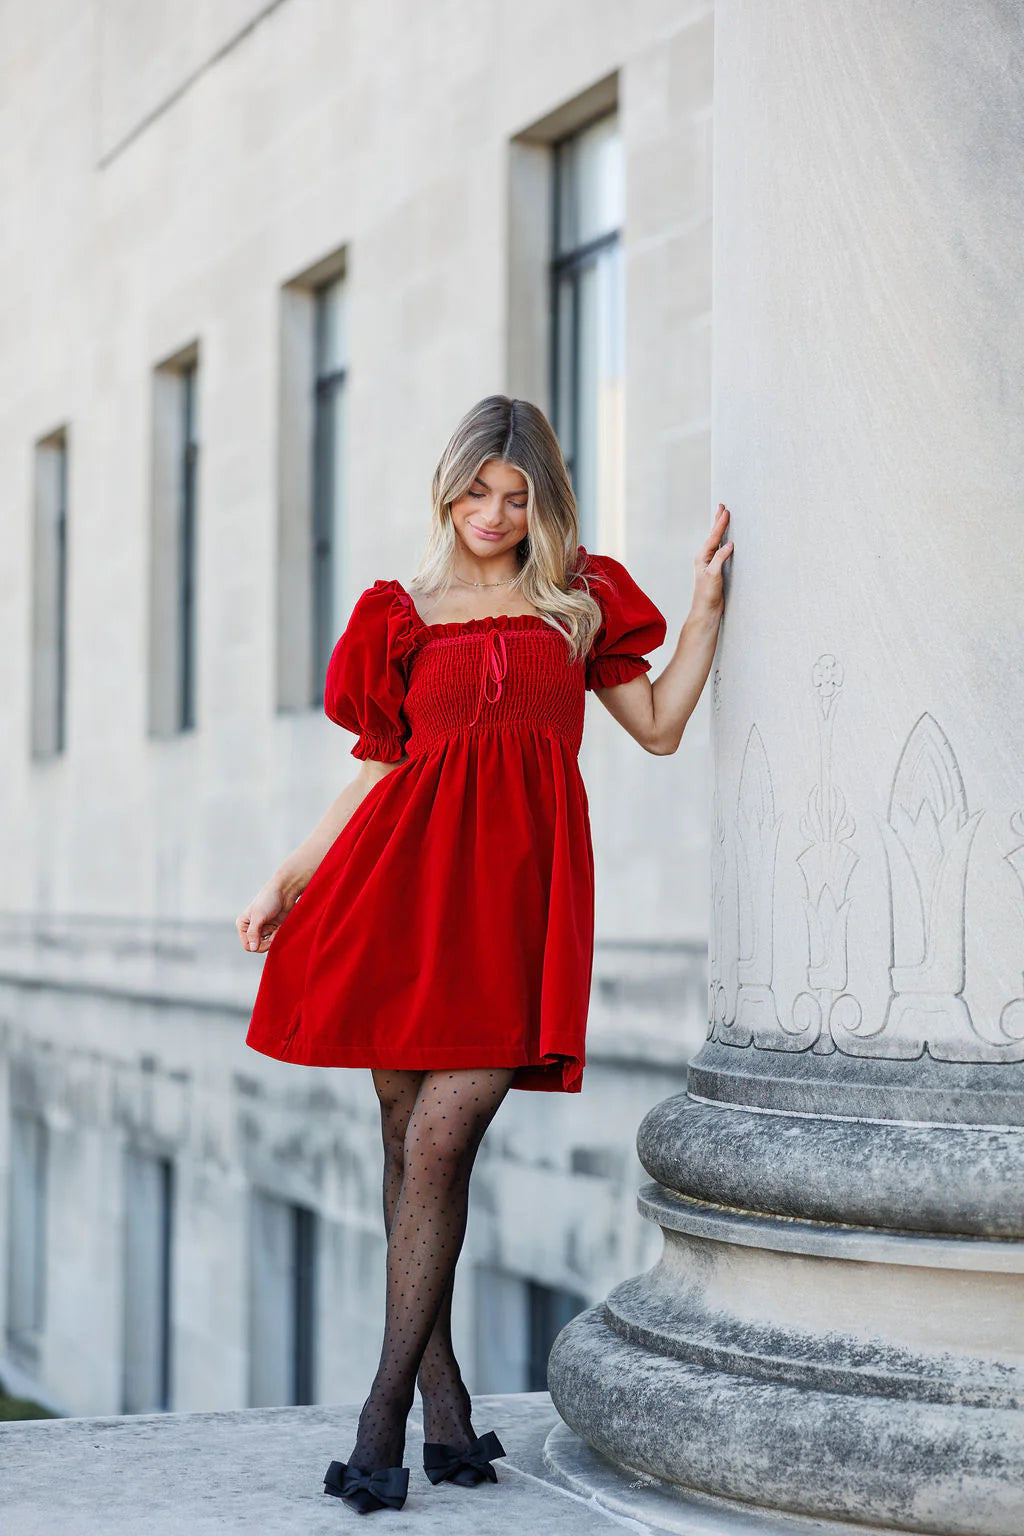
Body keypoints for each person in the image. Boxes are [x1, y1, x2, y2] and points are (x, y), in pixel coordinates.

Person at [236, 394, 733, 1514]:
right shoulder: (398, 615)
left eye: (515, 496)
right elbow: (377, 771)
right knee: (406, 1143)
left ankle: (380, 1419)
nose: (494, 514)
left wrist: (704, 609)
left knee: (441, 1142)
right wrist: (288, 878)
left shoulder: (580, 603)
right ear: (448, 492)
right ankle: (447, 1410)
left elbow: (656, 726)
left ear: (542, 498)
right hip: (396, 898)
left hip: (511, 914)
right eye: (476, 493)